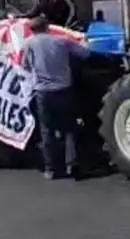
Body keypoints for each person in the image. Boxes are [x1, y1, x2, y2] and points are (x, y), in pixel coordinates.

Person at [21, 14, 90, 180]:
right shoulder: (61, 42)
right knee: (69, 129)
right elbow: (85, 54)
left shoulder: (28, 44)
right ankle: (71, 164)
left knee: (47, 130)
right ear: (48, 27)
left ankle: (51, 169)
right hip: (64, 89)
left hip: (42, 92)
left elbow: (26, 66)